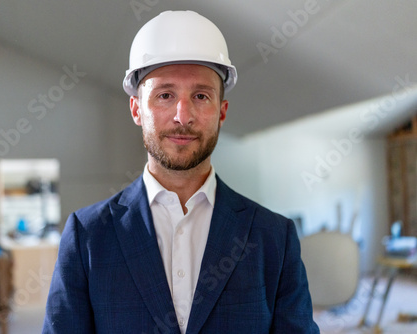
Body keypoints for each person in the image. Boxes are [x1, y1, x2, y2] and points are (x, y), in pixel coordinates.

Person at [43, 10, 319, 334]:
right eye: (165, 95)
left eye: (201, 96)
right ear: (136, 110)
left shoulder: (274, 238)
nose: (182, 116)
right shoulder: (87, 237)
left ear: (222, 112)